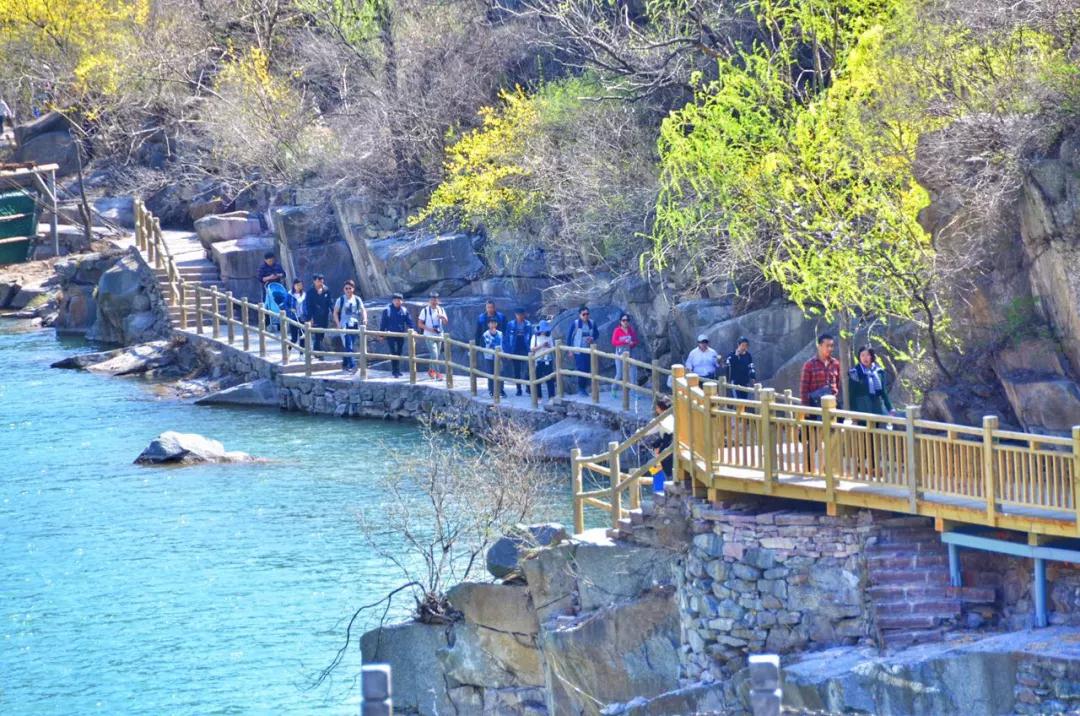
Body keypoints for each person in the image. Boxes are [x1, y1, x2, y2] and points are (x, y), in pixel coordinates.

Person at [848, 345, 894, 416]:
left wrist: (890, 408)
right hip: (862, 410)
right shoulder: (854, 373)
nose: (865, 358)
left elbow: (883, 393)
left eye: (867, 355)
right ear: (859, 357)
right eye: (862, 355)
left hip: (877, 409)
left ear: (872, 356)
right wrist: (853, 414)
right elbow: (852, 396)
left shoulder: (879, 372)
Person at [565, 306, 599, 396]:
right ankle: (581, 389)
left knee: (587, 369)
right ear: (580, 315)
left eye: (587, 314)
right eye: (583, 314)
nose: (586, 316)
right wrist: (569, 350)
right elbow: (569, 337)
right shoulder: (575, 324)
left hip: (588, 350)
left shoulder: (592, 323)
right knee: (581, 369)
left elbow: (596, 333)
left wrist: (592, 338)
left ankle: (584, 388)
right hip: (578, 350)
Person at [333, 280, 366, 373]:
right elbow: (335, 312)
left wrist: (365, 319)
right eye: (346, 288)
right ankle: (352, 365)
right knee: (348, 345)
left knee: (349, 345)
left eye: (350, 288)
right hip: (345, 324)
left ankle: (345, 364)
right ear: (344, 289)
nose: (348, 290)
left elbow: (363, 310)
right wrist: (338, 323)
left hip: (355, 324)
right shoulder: (341, 300)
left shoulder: (357, 299)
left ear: (353, 289)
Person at [800, 333, 842, 407]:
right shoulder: (809, 365)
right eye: (827, 346)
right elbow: (804, 388)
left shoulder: (835, 363)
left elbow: (838, 384)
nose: (830, 349)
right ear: (819, 346)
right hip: (815, 405)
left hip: (833, 404)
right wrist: (805, 406)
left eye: (831, 346)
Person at [379, 292, 414, 378]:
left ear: (402, 301)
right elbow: (383, 323)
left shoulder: (404, 310)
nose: (397, 302)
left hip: (400, 334)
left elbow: (409, 321)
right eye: (396, 300)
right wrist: (381, 334)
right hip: (390, 334)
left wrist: (413, 329)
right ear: (393, 301)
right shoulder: (388, 310)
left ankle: (397, 370)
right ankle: (394, 371)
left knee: (399, 352)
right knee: (393, 352)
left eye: (399, 300)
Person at [645, 396, 674, 494]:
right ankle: (664, 488)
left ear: (661, 408)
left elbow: (667, 437)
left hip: (669, 448)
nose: (656, 409)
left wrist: (659, 449)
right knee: (656, 465)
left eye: (657, 407)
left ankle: (664, 490)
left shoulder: (663, 419)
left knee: (666, 469)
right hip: (668, 445)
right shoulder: (670, 417)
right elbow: (662, 436)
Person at [418, 293, 449, 381]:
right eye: (432, 300)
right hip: (429, 335)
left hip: (439, 335)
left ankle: (431, 370)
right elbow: (420, 324)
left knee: (435, 355)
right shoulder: (425, 311)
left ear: (438, 301)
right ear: (429, 301)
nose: (433, 301)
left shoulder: (441, 309)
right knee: (435, 353)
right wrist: (429, 329)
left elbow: (446, 322)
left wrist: (442, 317)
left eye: (435, 300)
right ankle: (438, 373)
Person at [505, 307, 533, 396]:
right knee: (516, 370)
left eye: (521, 314)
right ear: (515, 315)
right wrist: (508, 351)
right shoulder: (511, 324)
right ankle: (519, 389)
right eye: (518, 315)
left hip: (525, 348)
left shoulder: (528, 324)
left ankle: (529, 387)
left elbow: (532, 337)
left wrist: (532, 349)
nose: (519, 316)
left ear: (524, 315)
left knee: (529, 369)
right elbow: (507, 338)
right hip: (515, 348)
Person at [611, 313, 639, 399]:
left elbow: (636, 341)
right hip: (619, 354)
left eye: (627, 320)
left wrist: (632, 343)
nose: (625, 322)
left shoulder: (630, 330)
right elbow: (614, 342)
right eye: (623, 320)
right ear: (620, 321)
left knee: (633, 372)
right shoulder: (617, 330)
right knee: (619, 373)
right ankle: (614, 388)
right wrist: (624, 342)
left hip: (630, 353)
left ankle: (633, 392)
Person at [531, 319, 557, 401]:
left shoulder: (549, 336)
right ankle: (539, 396)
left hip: (547, 359)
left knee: (550, 379)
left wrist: (548, 346)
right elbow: (532, 349)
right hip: (538, 359)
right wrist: (541, 346)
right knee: (537, 378)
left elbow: (553, 347)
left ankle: (551, 396)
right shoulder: (535, 337)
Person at [306, 273, 333, 354]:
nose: (320, 283)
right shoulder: (310, 291)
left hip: (324, 315)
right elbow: (309, 306)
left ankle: (317, 351)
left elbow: (330, 303)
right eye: (318, 281)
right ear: (314, 281)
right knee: (317, 335)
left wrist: (334, 313)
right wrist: (310, 318)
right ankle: (317, 353)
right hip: (315, 316)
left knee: (322, 334)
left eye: (322, 281)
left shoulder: (326, 290)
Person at [480, 317, 505, 397]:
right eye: (491, 323)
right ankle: (491, 390)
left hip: (499, 356)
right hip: (489, 356)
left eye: (494, 323)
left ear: (496, 324)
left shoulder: (500, 334)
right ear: (488, 324)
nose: (492, 324)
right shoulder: (485, 334)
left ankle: (501, 390)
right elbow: (484, 345)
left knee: (500, 373)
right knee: (490, 373)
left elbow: (502, 344)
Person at [285, 278, 307, 350]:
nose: (299, 286)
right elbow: (285, 305)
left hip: (302, 317)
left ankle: (301, 353)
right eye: (297, 285)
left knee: (302, 337)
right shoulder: (290, 294)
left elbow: (306, 305)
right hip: (293, 317)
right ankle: (288, 349)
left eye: (300, 285)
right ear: (294, 285)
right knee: (294, 339)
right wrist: (290, 310)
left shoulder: (304, 295)